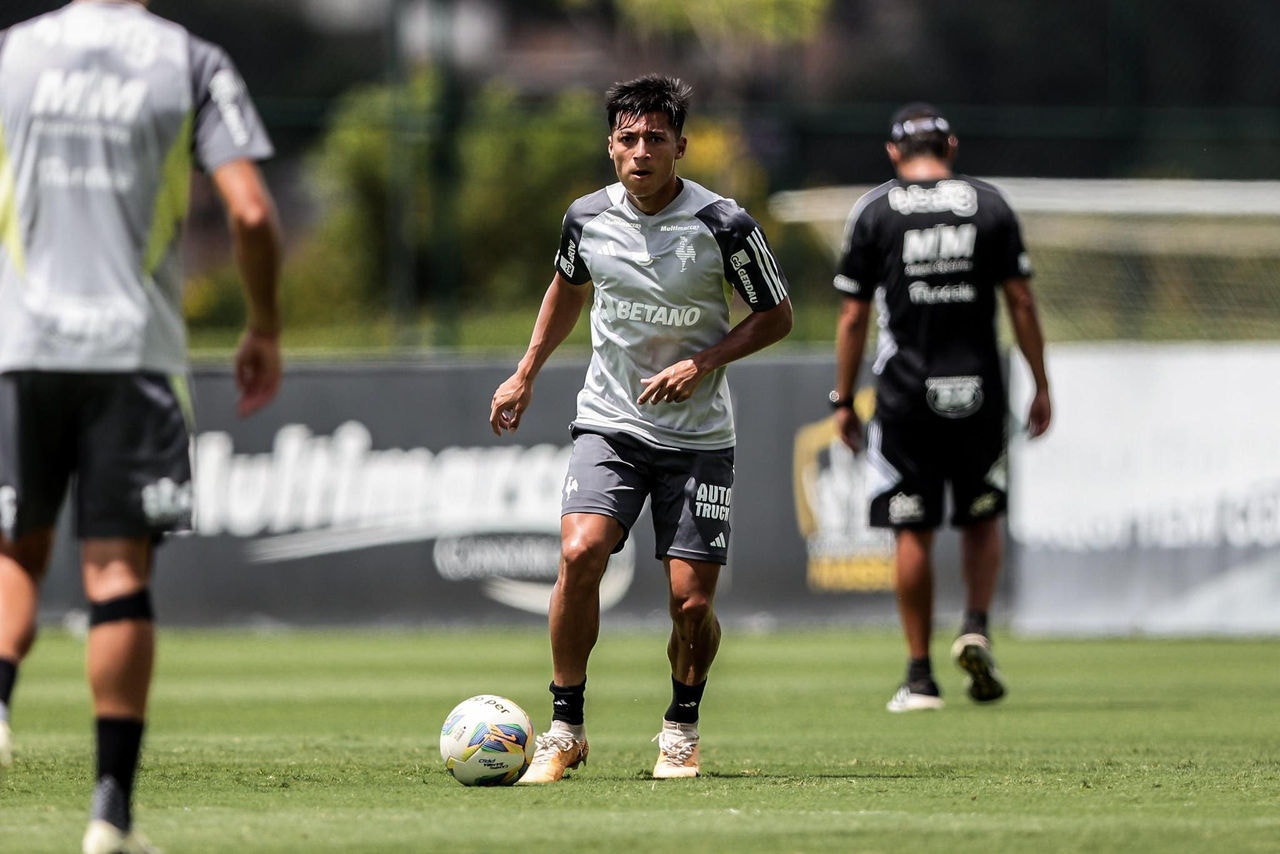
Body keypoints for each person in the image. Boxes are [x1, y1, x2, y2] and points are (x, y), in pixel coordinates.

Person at [0, 1, 281, 851]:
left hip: (19, 347)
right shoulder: (191, 60)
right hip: (131, 352)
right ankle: (109, 819)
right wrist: (263, 324)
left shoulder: (10, 53)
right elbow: (255, 212)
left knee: (15, 547)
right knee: (116, 575)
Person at [489, 75, 792, 781]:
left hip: (699, 438)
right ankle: (565, 727)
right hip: (610, 423)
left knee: (690, 602)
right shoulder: (586, 219)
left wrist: (705, 362)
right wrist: (525, 371)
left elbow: (776, 315)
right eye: (628, 138)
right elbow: (567, 288)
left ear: (681, 147)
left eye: (656, 138)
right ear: (611, 147)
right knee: (579, 550)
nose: (641, 150)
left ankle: (681, 727)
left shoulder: (725, 224)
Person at [830, 103, 1051, 713]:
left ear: (893, 153)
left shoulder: (874, 209)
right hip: (980, 388)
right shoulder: (990, 204)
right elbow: (1023, 304)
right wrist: (1041, 383)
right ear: (951, 145)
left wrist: (844, 400)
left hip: (904, 394)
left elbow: (851, 316)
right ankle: (976, 623)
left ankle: (920, 675)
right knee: (981, 514)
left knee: (913, 527)